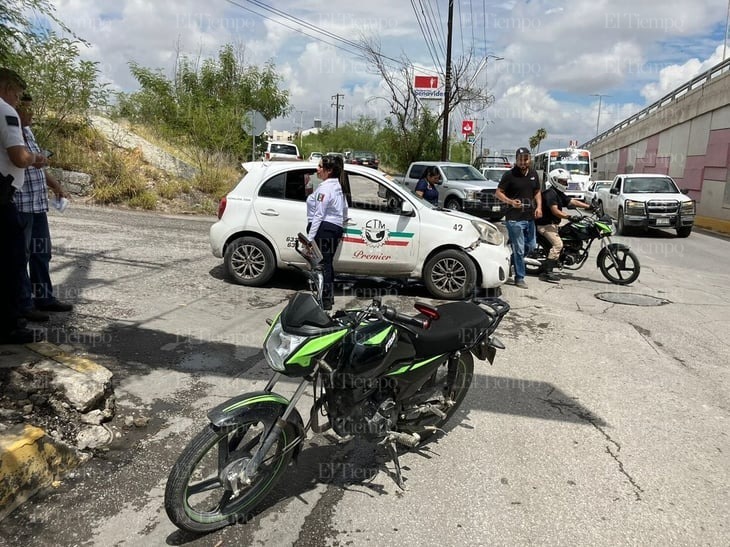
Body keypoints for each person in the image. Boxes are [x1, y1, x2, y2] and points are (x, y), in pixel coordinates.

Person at [14, 92, 73, 321]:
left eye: (31, 108)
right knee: (21, 255)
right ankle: (24, 304)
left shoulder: (28, 131)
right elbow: (21, 160)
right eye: (25, 108)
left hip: (37, 203)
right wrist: (35, 158)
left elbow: (38, 165)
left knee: (41, 252)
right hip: (20, 203)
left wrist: (56, 186)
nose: (30, 113)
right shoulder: (9, 131)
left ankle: (44, 298)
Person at [0, 68, 49, 344]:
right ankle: (9, 325)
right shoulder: (5, 111)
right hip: (5, 199)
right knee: (12, 261)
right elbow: (19, 157)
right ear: (7, 89)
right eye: (17, 95)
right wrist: (34, 159)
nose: (18, 102)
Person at [495, 147, 542, 289]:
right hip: (514, 218)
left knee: (531, 246)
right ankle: (519, 277)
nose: (523, 162)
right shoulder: (509, 175)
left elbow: (537, 191)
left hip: (529, 217)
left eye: (526, 159)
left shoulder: (533, 174)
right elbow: (498, 192)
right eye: (520, 159)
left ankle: (511, 257)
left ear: (530, 159)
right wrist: (510, 202)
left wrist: (539, 207)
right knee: (520, 249)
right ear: (516, 160)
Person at [536, 168, 593, 283]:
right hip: (545, 225)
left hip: (553, 224)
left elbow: (572, 201)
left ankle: (563, 257)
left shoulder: (558, 193)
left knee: (571, 232)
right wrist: (569, 217)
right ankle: (547, 272)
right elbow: (555, 211)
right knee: (558, 244)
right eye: (563, 181)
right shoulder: (550, 194)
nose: (565, 183)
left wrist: (589, 207)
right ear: (555, 180)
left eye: (566, 181)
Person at [307, 154, 348, 310]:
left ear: (329, 170)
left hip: (324, 228)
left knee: (323, 265)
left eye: (320, 167)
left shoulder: (325, 188)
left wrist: (310, 239)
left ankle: (324, 299)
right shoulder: (338, 185)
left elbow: (319, 214)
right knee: (327, 264)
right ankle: (327, 298)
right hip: (334, 228)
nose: (317, 169)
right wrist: (342, 227)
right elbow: (345, 210)